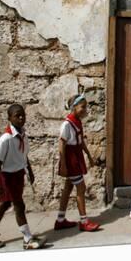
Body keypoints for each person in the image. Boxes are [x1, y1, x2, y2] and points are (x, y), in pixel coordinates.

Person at [0, 104, 46, 250]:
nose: (21, 118)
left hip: (18, 175)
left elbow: (25, 155)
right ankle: (28, 238)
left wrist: (30, 171)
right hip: (7, 176)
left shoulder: (23, 135)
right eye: (17, 115)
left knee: (5, 204)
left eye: (23, 115)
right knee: (19, 205)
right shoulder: (5, 139)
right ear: (9, 118)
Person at [54, 94, 100, 232]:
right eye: (83, 107)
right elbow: (61, 144)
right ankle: (84, 221)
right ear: (74, 107)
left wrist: (89, 156)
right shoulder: (67, 125)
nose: (85, 109)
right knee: (81, 188)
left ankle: (60, 220)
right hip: (71, 158)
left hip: (77, 155)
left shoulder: (77, 122)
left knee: (68, 188)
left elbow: (80, 142)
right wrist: (63, 164)